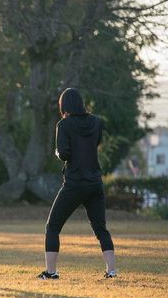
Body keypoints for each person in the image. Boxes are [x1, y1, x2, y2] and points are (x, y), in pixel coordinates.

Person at [38, 88, 116, 280]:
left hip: (75, 183)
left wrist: (57, 152)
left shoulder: (63, 125)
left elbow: (64, 153)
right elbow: (95, 143)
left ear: (64, 105)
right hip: (95, 182)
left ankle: (51, 272)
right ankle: (112, 271)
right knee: (101, 228)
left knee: (53, 227)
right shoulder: (96, 122)